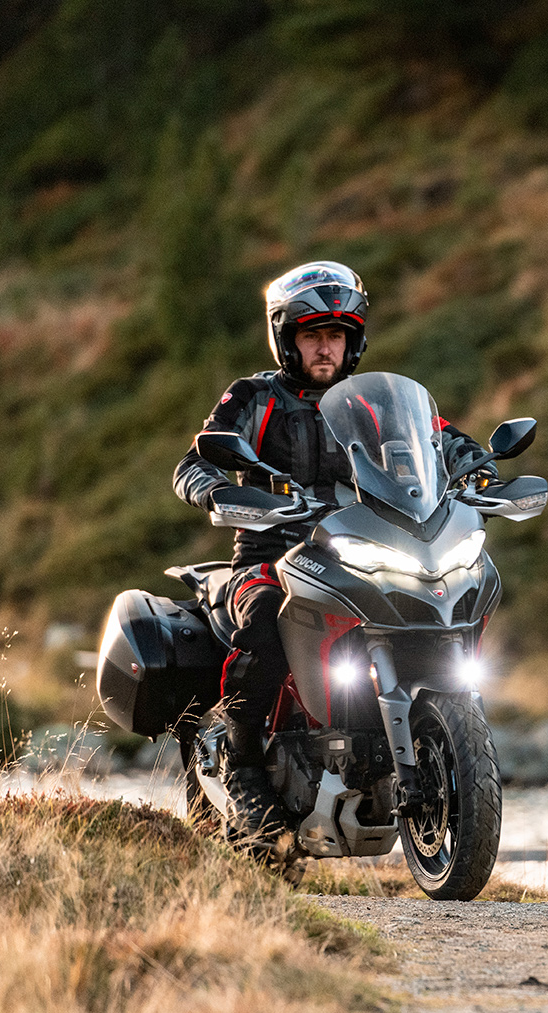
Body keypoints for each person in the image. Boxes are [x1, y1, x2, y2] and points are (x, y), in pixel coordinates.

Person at [173, 261, 493, 841]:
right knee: (265, 615)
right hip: (270, 555)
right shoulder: (254, 397)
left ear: (354, 341)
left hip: (356, 552)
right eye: (312, 335)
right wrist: (217, 490)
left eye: (337, 335)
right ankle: (241, 765)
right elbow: (194, 462)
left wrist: (480, 471)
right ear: (286, 339)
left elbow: (444, 440)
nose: (326, 348)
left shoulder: (377, 406)